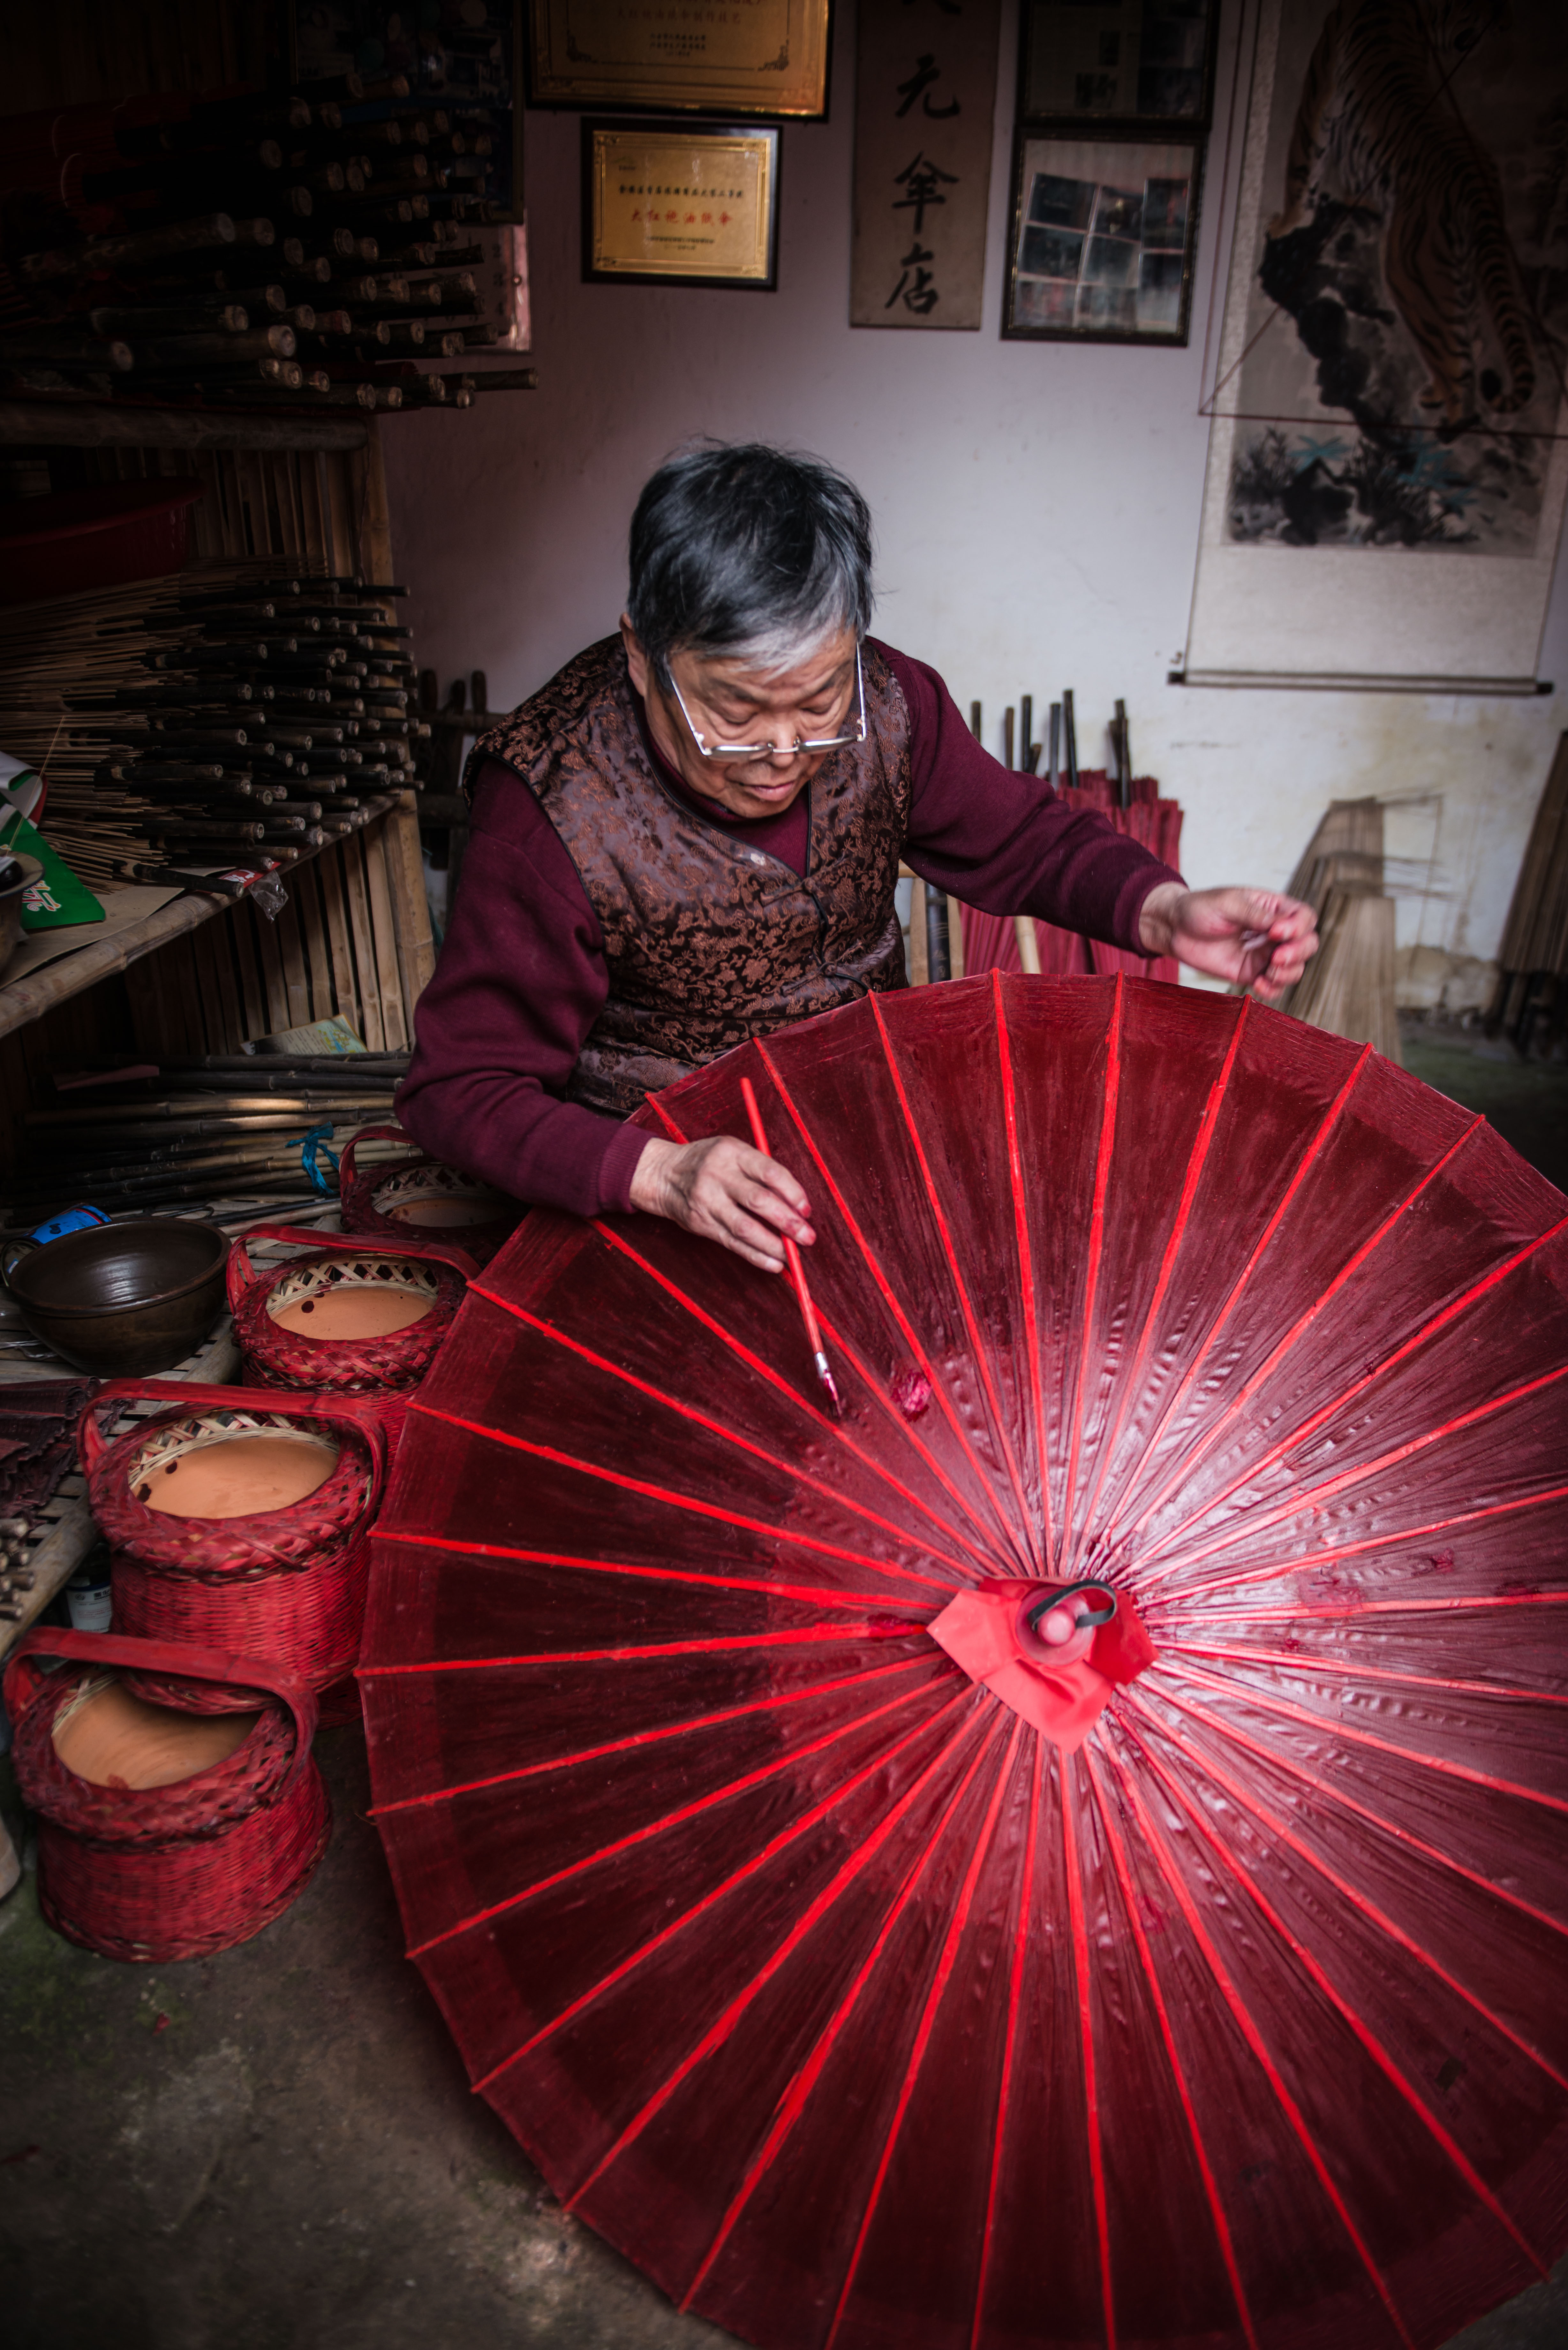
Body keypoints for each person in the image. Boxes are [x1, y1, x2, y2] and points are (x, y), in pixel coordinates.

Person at [400, 444, 1316, 1272]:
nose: (785, 752)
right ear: (642, 653)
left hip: (866, 1142)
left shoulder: (891, 703)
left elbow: (1023, 838)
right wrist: (657, 1173)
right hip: (661, 1214)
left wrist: (1162, 912)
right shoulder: (550, 805)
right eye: (736, 713)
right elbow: (460, 1091)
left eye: (819, 700)